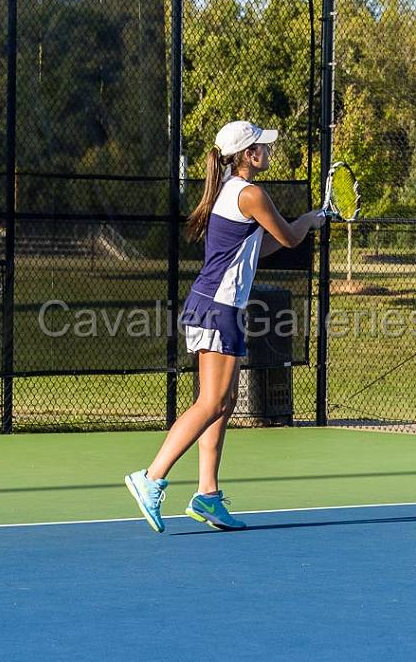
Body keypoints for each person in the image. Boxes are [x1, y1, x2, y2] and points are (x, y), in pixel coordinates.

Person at [125, 121, 326, 533]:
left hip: (217, 306)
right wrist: (309, 220)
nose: (268, 152)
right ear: (248, 155)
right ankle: (151, 478)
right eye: (262, 147)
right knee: (211, 401)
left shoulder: (230, 191)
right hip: (217, 308)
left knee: (224, 400)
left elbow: (263, 244)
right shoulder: (251, 193)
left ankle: (208, 495)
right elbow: (288, 238)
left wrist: (307, 221)